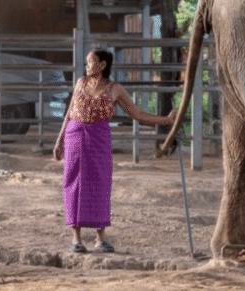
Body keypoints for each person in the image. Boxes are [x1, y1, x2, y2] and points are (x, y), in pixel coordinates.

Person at [53, 49, 177, 253]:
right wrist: (59, 141)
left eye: (90, 62)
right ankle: (76, 239)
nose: (87, 66)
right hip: (75, 136)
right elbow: (69, 113)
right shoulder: (80, 83)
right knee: (73, 183)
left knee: (99, 183)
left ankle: (100, 238)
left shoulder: (115, 89)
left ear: (102, 65)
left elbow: (136, 114)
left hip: (98, 139)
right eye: (86, 62)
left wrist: (165, 120)